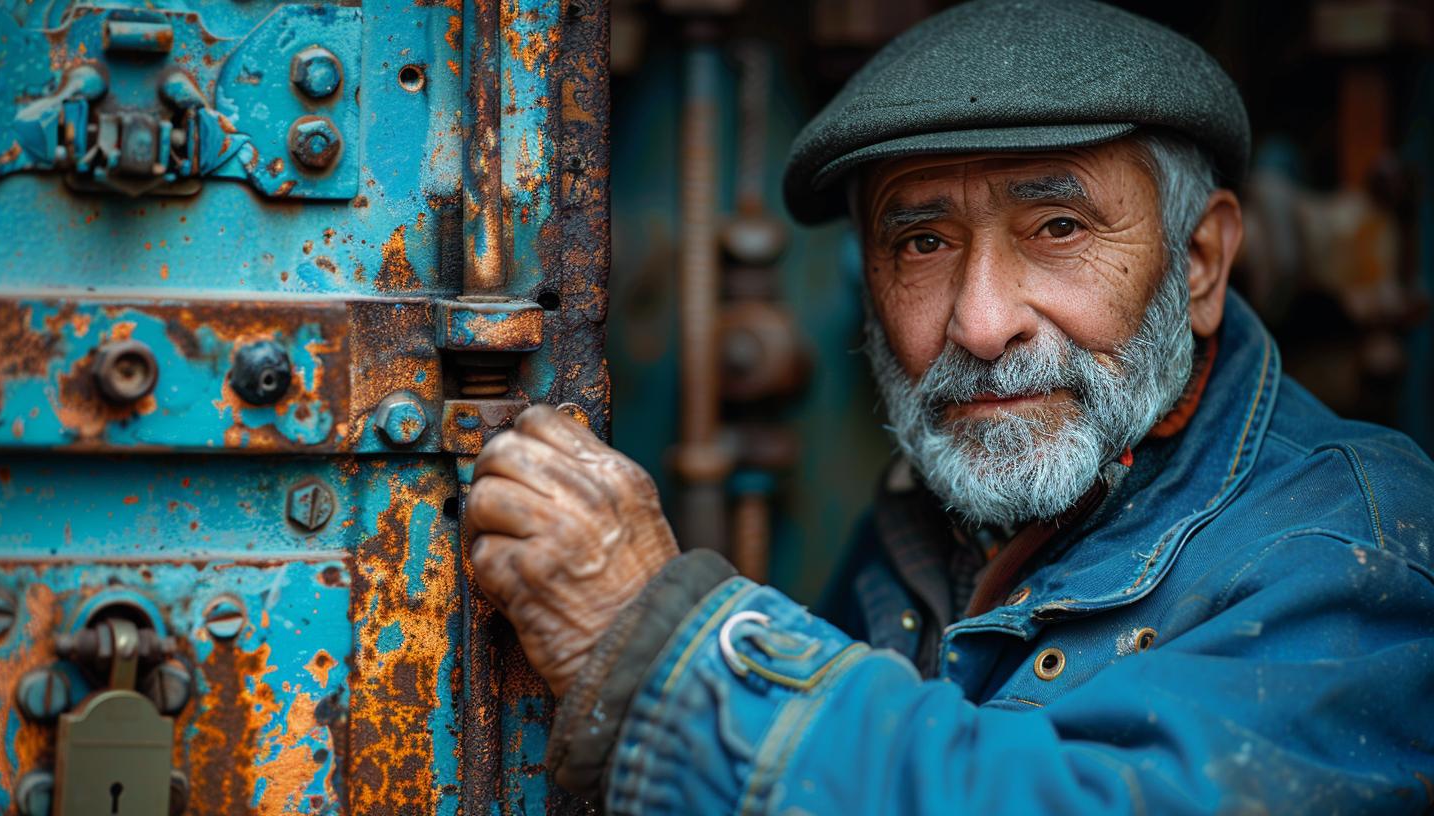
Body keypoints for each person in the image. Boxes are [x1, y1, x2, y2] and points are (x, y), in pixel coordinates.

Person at [463, 0, 1434, 812]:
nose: (978, 323)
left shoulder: (1350, 542)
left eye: (1057, 227)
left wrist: (670, 654)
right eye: (921, 243)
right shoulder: (932, 521)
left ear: (1197, 263)